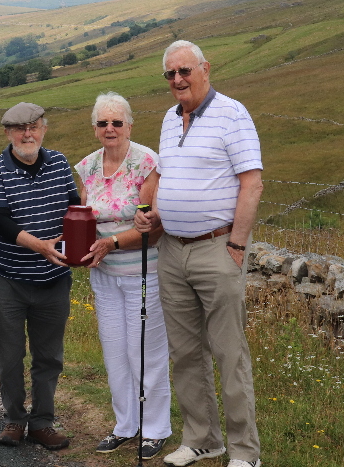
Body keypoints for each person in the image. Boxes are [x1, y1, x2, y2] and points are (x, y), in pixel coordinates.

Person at [135, 40, 264, 467]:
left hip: (216, 249)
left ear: (205, 68)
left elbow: (252, 183)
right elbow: (168, 177)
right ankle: (203, 439)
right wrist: (153, 215)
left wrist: (236, 246)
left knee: (229, 352)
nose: (177, 80)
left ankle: (245, 452)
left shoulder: (233, 114)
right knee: (185, 352)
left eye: (185, 71)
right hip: (172, 251)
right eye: (170, 74)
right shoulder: (171, 121)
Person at [74, 92, 172, 461]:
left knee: (145, 350)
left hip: (143, 272)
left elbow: (155, 226)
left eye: (117, 122)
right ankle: (125, 425)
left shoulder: (147, 163)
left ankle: (157, 428)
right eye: (103, 123)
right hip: (103, 276)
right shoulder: (86, 167)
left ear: (130, 125)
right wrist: (75, 247)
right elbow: (84, 218)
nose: (110, 128)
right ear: (95, 128)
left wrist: (112, 242)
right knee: (114, 351)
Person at [0, 102, 79, 451]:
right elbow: (1, 220)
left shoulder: (59, 162)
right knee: (9, 355)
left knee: (49, 356)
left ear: (43, 129)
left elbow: (75, 208)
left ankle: (41, 422)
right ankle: (14, 419)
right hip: (6, 278)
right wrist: (40, 245)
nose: (28, 134)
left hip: (53, 278)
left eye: (34, 127)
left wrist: (70, 247)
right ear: (8, 133)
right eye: (20, 128)